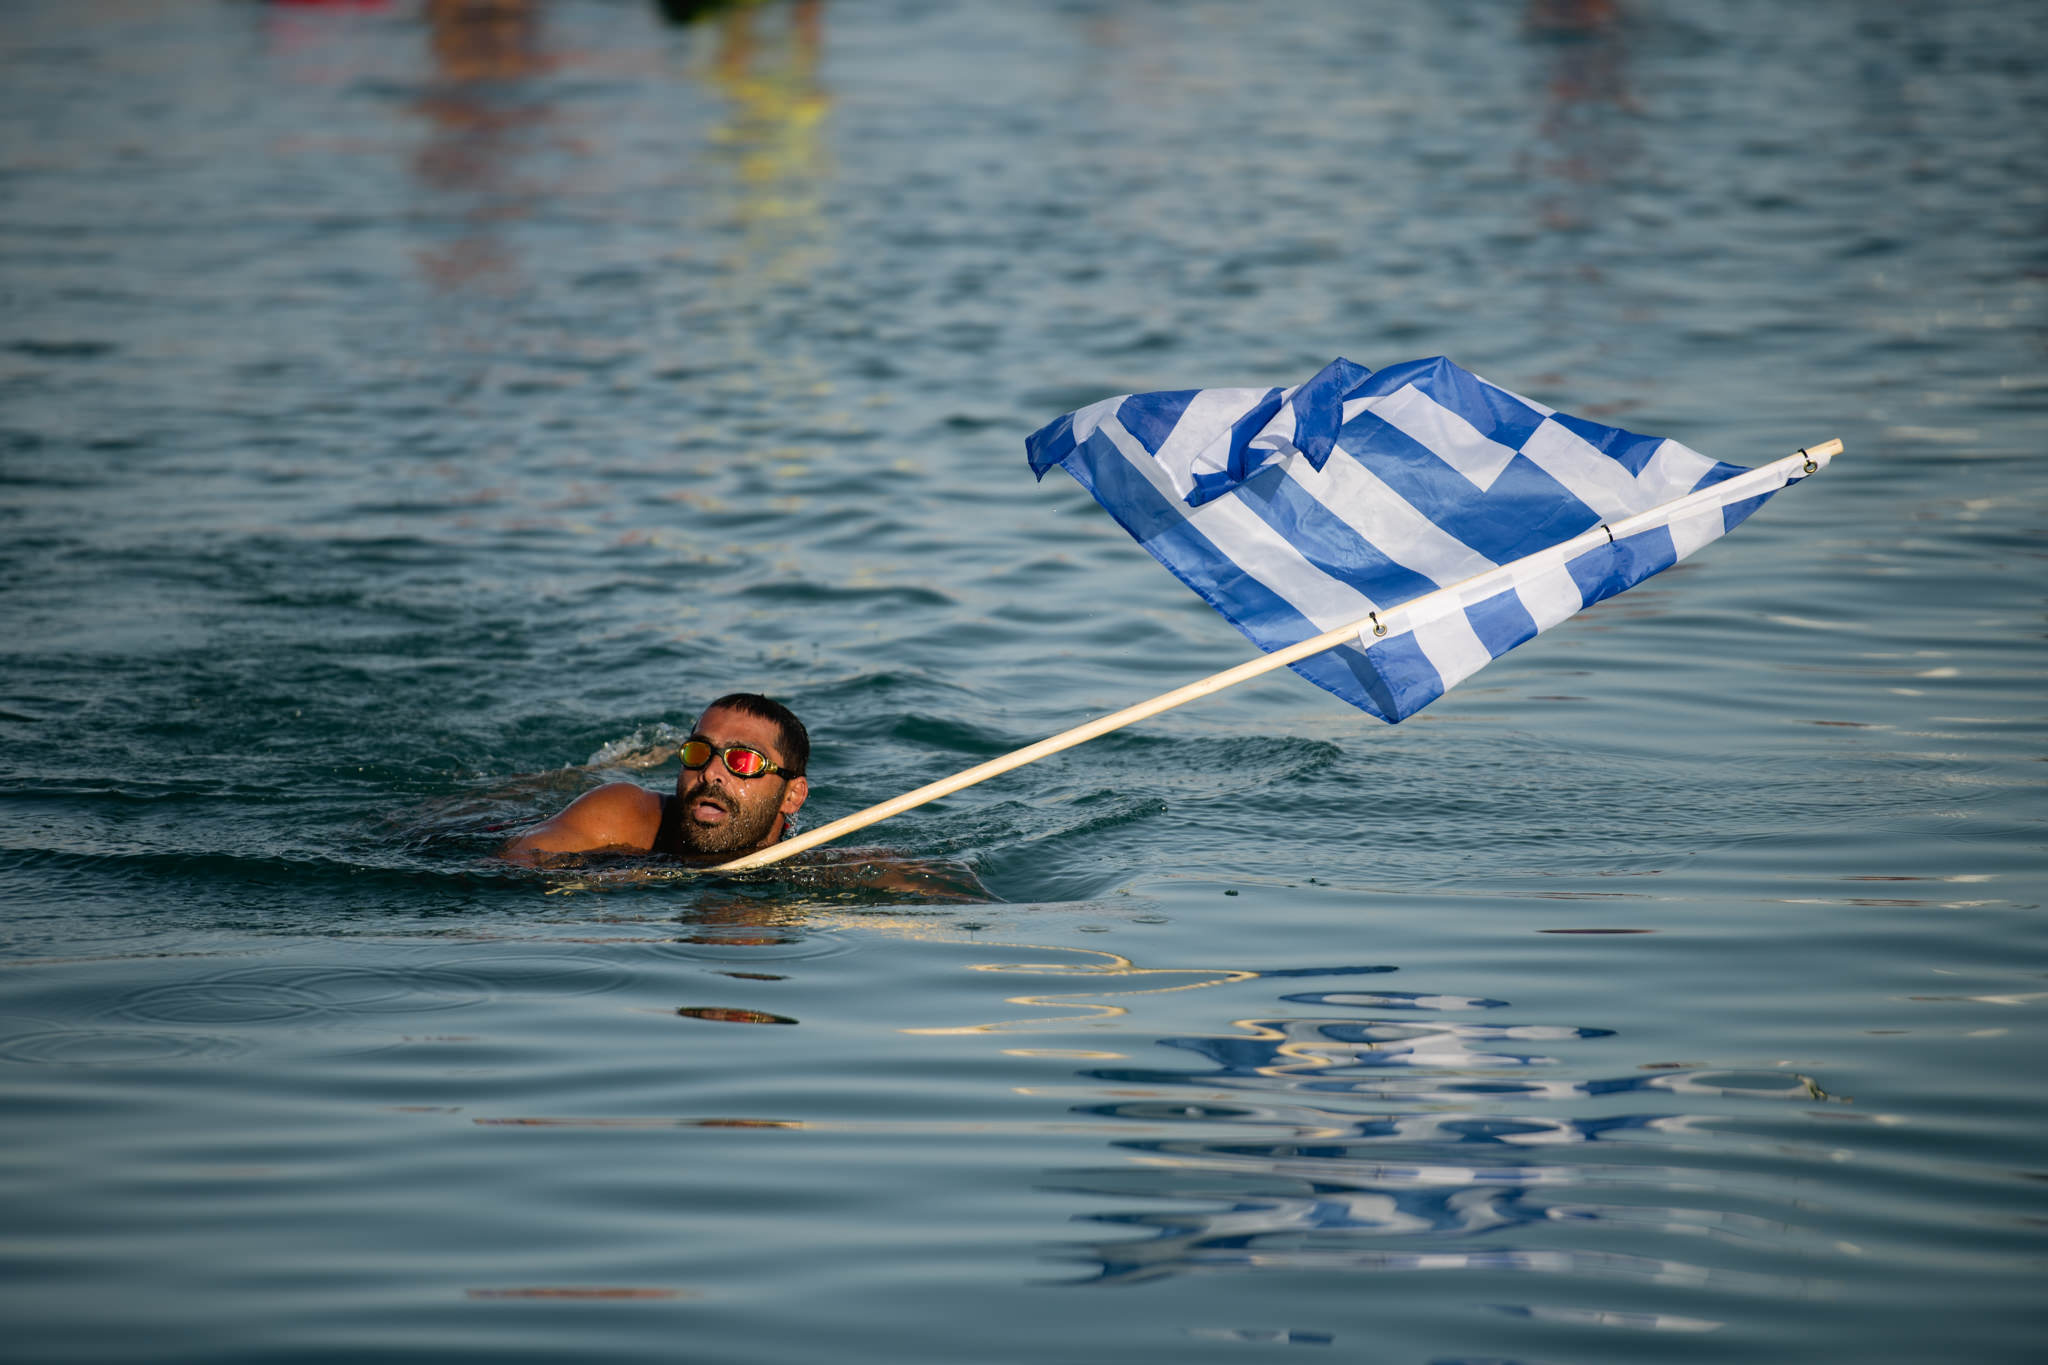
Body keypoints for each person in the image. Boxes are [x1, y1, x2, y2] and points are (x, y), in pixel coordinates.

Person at [500, 693, 808, 864]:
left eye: (743, 760)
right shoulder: (621, 814)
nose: (710, 773)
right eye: (699, 752)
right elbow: (511, 865)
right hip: (502, 818)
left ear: (792, 796)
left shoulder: (804, 864)